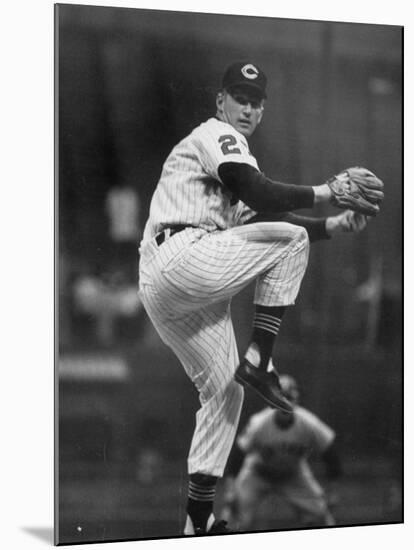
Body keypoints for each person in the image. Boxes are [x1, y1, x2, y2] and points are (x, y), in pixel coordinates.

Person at [138, 61, 380, 536]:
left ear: (263, 110)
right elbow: (261, 194)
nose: (247, 108)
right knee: (290, 242)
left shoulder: (232, 166)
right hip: (183, 256)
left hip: (167, 286)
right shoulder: (217, 134)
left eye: (255, 101)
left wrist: (333, 223)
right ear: (220, 102)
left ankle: (198, 519)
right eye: (239, 98)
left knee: (223, 393)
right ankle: (260, 356)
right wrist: (328, 191)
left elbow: (262, 210)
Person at [222, 375, 342, 530]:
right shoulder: (259, 423)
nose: (285, 403)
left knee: (320, 514)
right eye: (281, 399)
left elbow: (330, 453)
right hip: (258, 472)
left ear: (296, 401)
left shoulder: (308, 423)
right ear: (272, 402)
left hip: (293, 473)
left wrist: (333, 491)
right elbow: (238, 454)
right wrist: (231, 489)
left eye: (289, 398)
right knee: (233, 513)